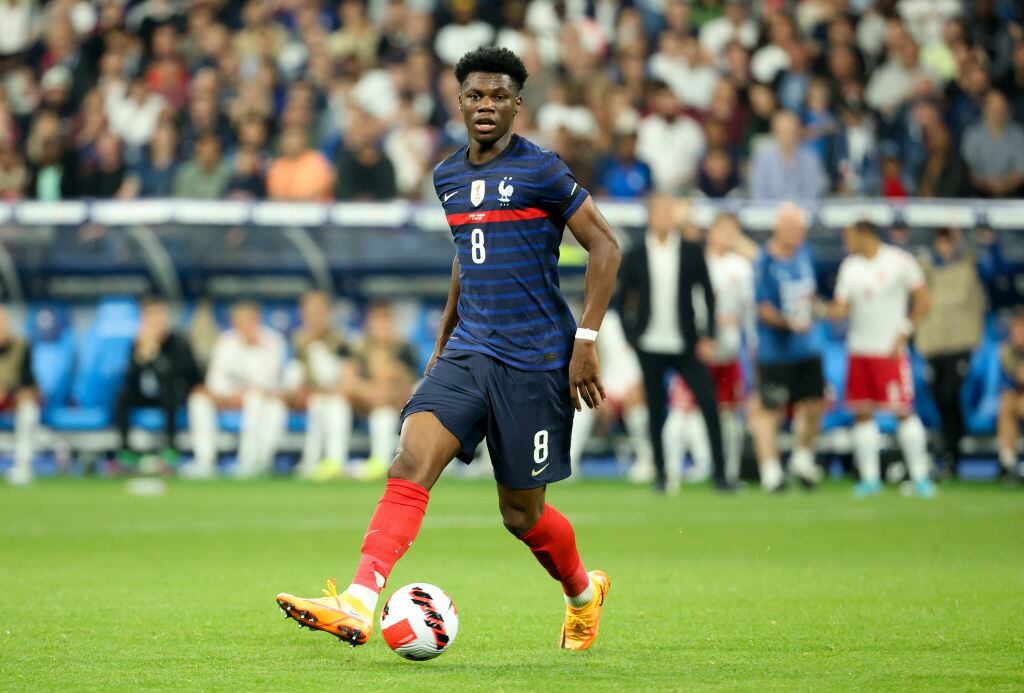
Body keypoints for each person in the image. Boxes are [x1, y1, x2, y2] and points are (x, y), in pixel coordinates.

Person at [275, 47, 621, 652]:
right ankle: (357, 602)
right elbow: (467, 256)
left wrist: (584, 342)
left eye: (498, 96)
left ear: (518, 103)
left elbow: (606, 247)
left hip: (536, 363)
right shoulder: (446, 177)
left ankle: (582, 595)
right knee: (410, 460)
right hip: (471, 350)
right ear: (459, 102)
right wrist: (441, 346)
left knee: (521, 515)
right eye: (474, 96)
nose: (485, 105)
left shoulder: (541, 170)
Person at [615, 195, 731, 493]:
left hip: (686, 343)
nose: (666, 217)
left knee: (708, 402)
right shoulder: (638, 252)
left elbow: (707, 294)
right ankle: (662, 474)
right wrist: (632, 337)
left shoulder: (691, 251)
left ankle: (721, 473)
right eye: (660, 211)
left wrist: (708, 335)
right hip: (650, 343)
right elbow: (619, 297)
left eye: (670, 211)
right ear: (650, 216)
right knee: (656, 410)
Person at [825, 221, 935, 498]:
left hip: (889, 351)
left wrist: (904, 331)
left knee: (902, 411)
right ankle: (870, 479)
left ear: (864, 234)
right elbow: (841, 307)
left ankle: (920, 477)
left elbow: (924, 300)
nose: (845, 242)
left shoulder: (899, 261)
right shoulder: (850, 267)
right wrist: (826, 310)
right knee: (862, 413)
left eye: (848, 236)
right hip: (860, 349)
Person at [748, 204, 824, 492]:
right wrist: (789, 323)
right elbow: (762, 307)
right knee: (769, 410)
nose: (798, 233)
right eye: (792, 228)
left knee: (813, 403)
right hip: (775, 350)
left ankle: (802, 460)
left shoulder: (805, 256)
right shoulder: (764, 261)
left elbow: (810, 293)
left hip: (806, 347)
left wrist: (814, 310)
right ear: (779, 229)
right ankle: (771, 471)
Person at [182, 300, 287, 480]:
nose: (246, 326)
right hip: (228, 399)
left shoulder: (273, 340)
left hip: (262, 400)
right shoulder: (226, 341)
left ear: (258, 319)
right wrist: (229, 396)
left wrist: (246, 391)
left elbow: (269, 382)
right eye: (241, 321)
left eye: (250, 320)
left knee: (255, 399)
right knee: (198, 400)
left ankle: (250, 459)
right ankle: (205, 460)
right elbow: (215, 380)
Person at [915, 228, 987, 477]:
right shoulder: (926, 271)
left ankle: (952, 452)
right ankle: (948, 452)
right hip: (935, 345)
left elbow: (992, 267)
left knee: (949, 394)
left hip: (959, 344)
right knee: (940, 399)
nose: (945, 247)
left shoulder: (968, 266)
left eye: (949, 241)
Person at [568, 309, 654, 483]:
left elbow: (653, 363)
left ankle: (647, 461)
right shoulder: (606, 321)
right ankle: (570, 462)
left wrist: (641, 386)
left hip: (636, 388)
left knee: (638, 409)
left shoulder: (646, 317)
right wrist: (596, 392)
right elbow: (591, 356)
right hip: (607, 388)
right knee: (583, 403)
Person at [113, 297, 200, 466]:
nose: (157, 323)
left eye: (160, 318)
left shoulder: (177, 342)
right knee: (122, 397)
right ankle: (125, 449)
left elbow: (178, 376)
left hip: (170, 392)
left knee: (170, 396)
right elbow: (129, 378)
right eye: (151, 319)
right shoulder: (137, 343)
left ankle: (171, 448)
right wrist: (140, 359)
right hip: (145, 395)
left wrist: (156, 357)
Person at [338, 302, 418, 481]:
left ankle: (380, 463)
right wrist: (367, 392)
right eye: (376, 319)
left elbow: (398, 384)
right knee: (332, 403)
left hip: (396, 409)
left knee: (382, 414)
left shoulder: (404, 348)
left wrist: (380, 352)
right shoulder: (357, 347)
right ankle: (334, 462)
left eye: (385, 319)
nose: (380, 325)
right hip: (362, 407)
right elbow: (346, 381)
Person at [282, 291, 353, 481]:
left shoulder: (340, 340)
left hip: (331, 396)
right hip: (303, 397)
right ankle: (311, 460)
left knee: (333, 404)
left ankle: (335, 462)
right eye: (310, 313)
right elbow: (291, 379)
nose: (315, 319)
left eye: (319, 313)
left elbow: (346, 375)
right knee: (317, 401)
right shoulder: (297, 341)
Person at [749, 110, 827, 201]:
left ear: (797, 132)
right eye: (783, 132)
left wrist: (795, 212)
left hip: (804, 213)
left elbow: (813, 194)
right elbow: (758, 195)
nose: (787, 137)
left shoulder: (811, 159)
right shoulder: (762, 160)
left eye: (791, 132)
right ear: (775, 132)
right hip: (770, 213)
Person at [0, 306, 38, 485]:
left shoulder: (21, 346)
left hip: (13, 398)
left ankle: (23, 467)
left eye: (3, 323)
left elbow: (27, 381)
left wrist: (7, 392)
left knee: (29, 409)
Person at [996, 308, 1024, 481]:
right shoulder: (1007, 349)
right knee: (1007, 402)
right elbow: (1019, 376)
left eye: (1021, 327)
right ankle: (1007, 463)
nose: (1017, 331)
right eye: (1014, 326)